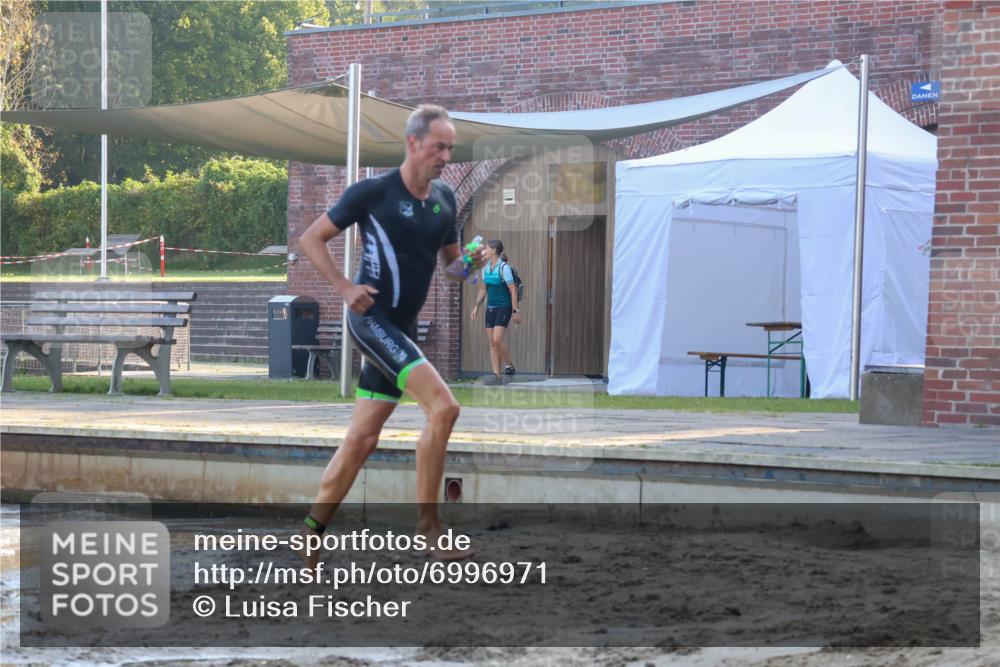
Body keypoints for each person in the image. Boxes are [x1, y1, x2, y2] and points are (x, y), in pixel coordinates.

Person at [296, 104, 481, 564]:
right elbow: (311, 239)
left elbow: (452, 269)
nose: (446, 157)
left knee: (362, 440)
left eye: (451, 149)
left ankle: (310, 535)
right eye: (439, 147)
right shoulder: (373, 192)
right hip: (371, 319)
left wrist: (471, 264)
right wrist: (344, 287)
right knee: (444, 408)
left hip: (401, 328)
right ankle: (429, 529)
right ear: (413, 143)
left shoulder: (445, 199)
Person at [470, 240, 521, 380]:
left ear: (493, 250)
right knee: (492, 343)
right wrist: (476, 307)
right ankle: (496, 376)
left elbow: (513, 290)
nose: (484, 251)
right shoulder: (485, 268)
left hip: (504, 307)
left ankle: (509, 364)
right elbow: (483, 289)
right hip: (490, 307)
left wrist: (515, 311)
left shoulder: (504, 268)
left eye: (486, 248)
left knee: (497, 339)